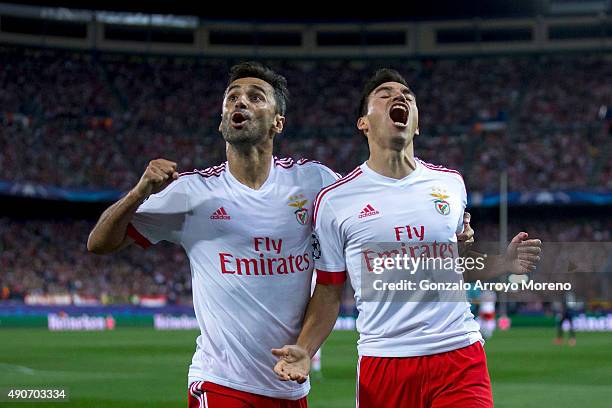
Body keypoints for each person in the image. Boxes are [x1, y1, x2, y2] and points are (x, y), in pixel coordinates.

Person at [271, 68, 542, 408]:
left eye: (407, 97)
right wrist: (304, 350)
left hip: (457, 353)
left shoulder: (451, 185)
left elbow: (455, 266)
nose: (398, 98)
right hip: (384, 360)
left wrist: (503, 262)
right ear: (363, 123)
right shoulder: (335, 200)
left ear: (417, 124)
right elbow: (328, 288)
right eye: (384, 95)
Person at [87, 62, 341, 408]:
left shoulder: (314, 182)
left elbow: (336, 274)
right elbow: (100, 243)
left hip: (290, 389)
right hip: (221, 383)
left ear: (277, 123)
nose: (240, 102)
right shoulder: (193, 192)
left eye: (255, 97)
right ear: (222, 120)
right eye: (232, 97)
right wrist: (139, 193)